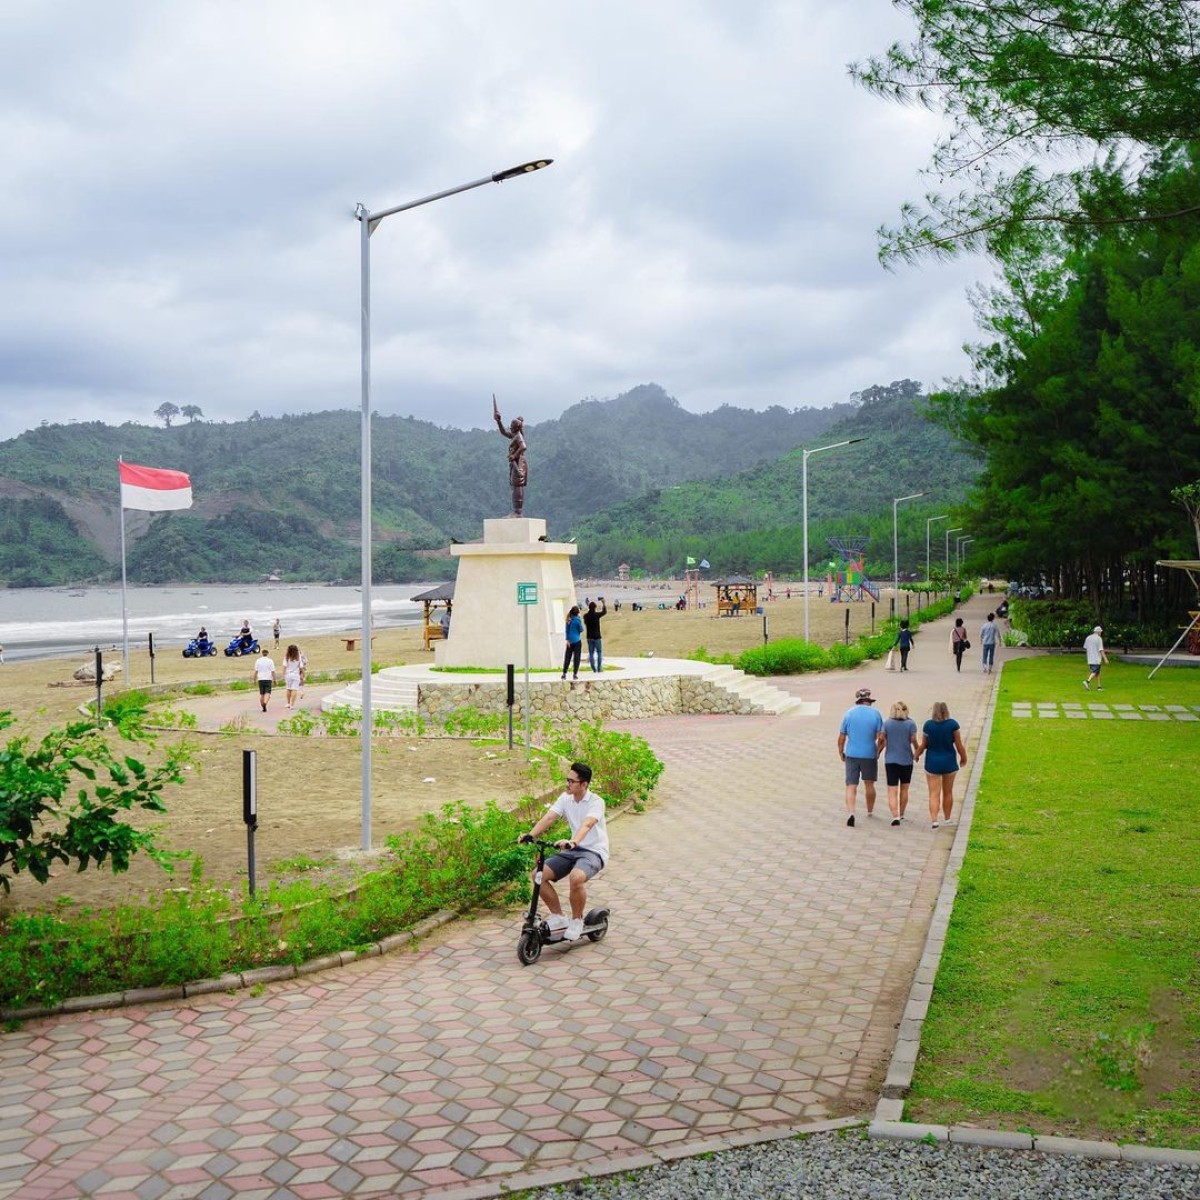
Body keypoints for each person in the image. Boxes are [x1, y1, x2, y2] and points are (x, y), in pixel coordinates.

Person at [518, 761, 609, 941]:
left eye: (571, 781)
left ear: (584, 784)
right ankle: (559, 917)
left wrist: (573, 841)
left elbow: (588, 824)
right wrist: (530, 835)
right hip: (572, 849)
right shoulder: (565, 798)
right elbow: (549, 817)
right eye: (567, 780)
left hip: (593, 851)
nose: (567, 784)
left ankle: (577, 921)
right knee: (538, 875)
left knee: (576, 878)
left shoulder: (596, 802)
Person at [837, 686, 884, 827]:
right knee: (869, 784)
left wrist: (841, 752)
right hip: (869, 753)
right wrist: (878, 751)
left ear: (857, 701)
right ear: (869, 700)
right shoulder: (876, 714)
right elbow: (881, 738)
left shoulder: (848, 714)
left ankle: (851, 812)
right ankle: (869, 811)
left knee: (851, 785)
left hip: (852, 753)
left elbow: (841, 737)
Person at [916, 701, 968, 829]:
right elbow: (959, 744)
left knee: (934, 793)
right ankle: (948, 818)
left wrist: (917, 754)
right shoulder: (953, 725)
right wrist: (963, 757)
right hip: (949, 761)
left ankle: (934, 820)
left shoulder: (928, 726)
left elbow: (924, 744)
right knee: (948, 792)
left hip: (932, 763)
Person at [882, 700, 920, 826]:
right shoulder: (911, 724)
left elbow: (882, 739)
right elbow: (913, 740)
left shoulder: (887, 723)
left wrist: (877, 751)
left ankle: (895, 816)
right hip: (906, 760)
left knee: (892, 790)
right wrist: (917, 752)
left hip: (891, 760)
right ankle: (902, 813)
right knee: (904, 789)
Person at [492, 395, 528, 517]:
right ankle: (516, 510)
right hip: (516, 462)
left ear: (516, 427)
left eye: (511, 426)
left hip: (518, 463)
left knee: (517, 486)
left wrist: (514, 455)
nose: (510, 428)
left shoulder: (519, 436)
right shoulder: (515, 435)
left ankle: (517, 512)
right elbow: (503, 432)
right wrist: (498, 421)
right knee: (515, 486)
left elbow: (523, 447)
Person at [583, 598, 607, 673]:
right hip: (597, 636)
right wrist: (603, 603)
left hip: (589, 637)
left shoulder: (586, 616)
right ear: (595, 607)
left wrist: (588, 606)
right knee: (599, 652)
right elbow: (604, 612)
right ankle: (599, 668)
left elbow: (587, 614)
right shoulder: (597, 615)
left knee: (591, 653)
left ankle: (593, 668)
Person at [1083, 624, 1109, 690]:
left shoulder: (1088, 638)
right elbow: (1101, 650)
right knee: (1094, 672)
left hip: (1090, 658)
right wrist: (1105, 659)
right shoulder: (1099, 639)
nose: (1101, 633)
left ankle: (1099, 687)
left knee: (1097, 673)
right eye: (1100, 632)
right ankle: (1087, 681)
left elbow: (1086, 648)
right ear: (1098, 632)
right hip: (1096, 659)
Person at [562, 605, 583, 680]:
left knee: (567, 657)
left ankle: (564, 673)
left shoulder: (568, 619)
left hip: (569, 642)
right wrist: (580, 620)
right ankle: (575, 674)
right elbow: (581, 630)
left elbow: (567, 631)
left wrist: (567, 640)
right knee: (576, 658)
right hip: (577, 641)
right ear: (577, 613)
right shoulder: (577, 620)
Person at [253, 648, 276, 713]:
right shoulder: (270, 661)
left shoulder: (258, 661)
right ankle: (265, 703)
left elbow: (256, 671)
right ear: (267, 653)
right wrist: (274, 680)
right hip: (268, 678)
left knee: (262, 694)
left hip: (260, 678)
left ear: (262, 653)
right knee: (268, 693)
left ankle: (263, 706)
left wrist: (254, 679)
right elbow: (273, 671)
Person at [282, 644, 303, 709]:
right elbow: (301, 667)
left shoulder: (287, 657)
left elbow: (284, 667)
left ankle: (288, 703)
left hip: (288, 674)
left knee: (288, 689)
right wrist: (302, 675)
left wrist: (284, 675)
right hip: (296, 674)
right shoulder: (298, 656)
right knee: (294, 689)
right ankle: (292, 705)